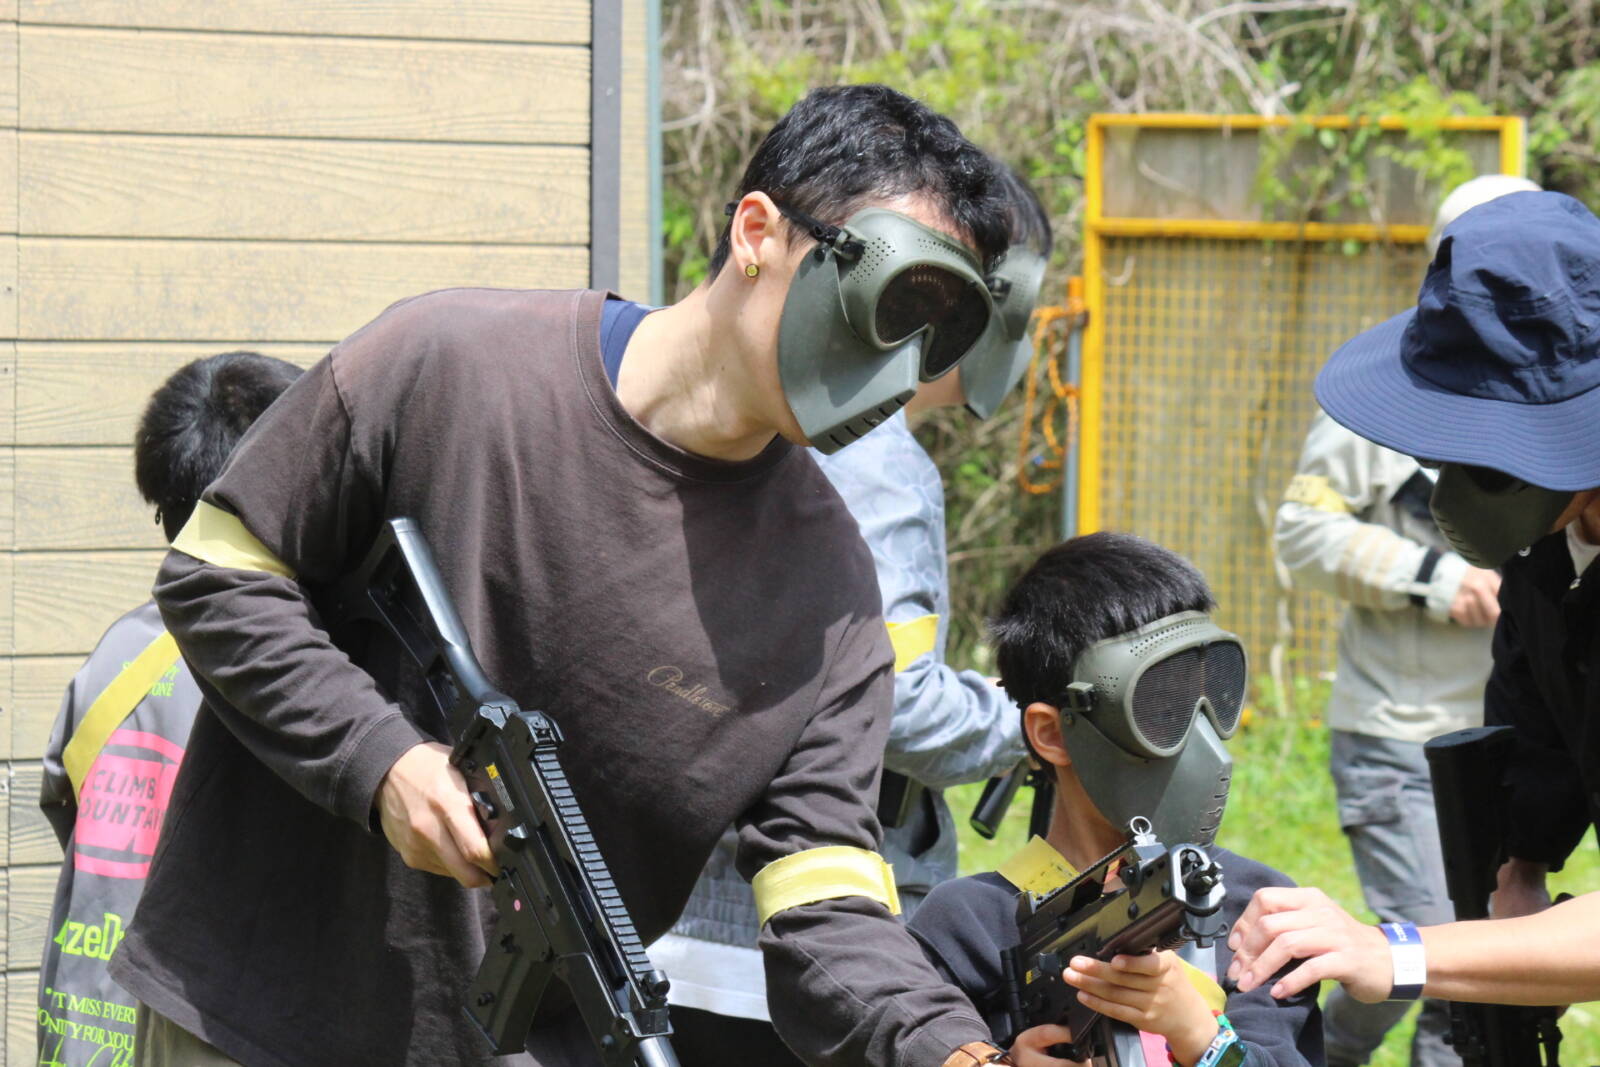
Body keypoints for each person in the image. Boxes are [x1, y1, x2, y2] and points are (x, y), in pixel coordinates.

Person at [108, 85, 1031, 1067]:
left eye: (937, 335)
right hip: (248, 1020)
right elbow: (216, 575)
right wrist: (380, 762)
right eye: (894, 304)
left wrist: (954, 1050)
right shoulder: (449, 362)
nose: (902, 365)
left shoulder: (833, 595)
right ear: (758, 232)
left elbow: (826, 901)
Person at [648, 163, 1049, 1064]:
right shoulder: (878, 455)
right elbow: (897, 702)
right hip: (794, 937)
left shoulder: (799, 423)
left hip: (717, 922)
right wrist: (1026, 725)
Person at [1228, 190, 1600, 1009]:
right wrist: (1522, 864)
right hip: (1392, 724)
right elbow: (1534, 712)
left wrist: (1392, 952)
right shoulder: (1548, 556)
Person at [1270, 172, 1537, 1067]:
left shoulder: (1559, 385)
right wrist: (1435, 576)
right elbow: (1301, 531)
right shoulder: (1391, 385)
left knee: (1477, 975)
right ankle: (1291, 1054)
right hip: (1399, 735)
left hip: (1513, 739)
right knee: (1428, 959)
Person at [909, 532, 1325, 1067]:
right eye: (1158, 708)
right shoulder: (969, 925)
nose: (1197, 738)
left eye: (1208, 697)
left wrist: (1202, 1037)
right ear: (1052, 734)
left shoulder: (1257, 911)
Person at [36, 352, 303, 1067]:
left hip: (86, 1030)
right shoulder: (305, 668)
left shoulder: (120, 652)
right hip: (210, 1028)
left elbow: (65, 803)